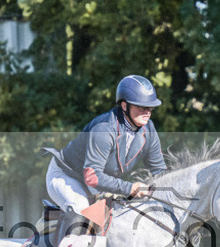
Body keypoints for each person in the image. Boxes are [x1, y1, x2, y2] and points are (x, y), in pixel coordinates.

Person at [44, 74, 167, 236]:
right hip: (66, 176)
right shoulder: (104, 129)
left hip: (97, 184)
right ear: (124, 106)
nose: (148, 112)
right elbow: (92, 177)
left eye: (150, 107)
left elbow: (160, 171)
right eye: (141, 107)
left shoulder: (148, 130)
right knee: (81, 212)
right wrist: (129, 187)